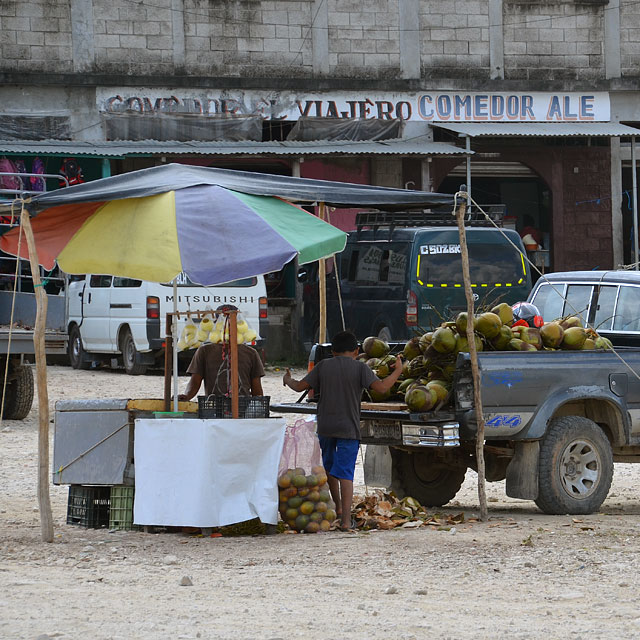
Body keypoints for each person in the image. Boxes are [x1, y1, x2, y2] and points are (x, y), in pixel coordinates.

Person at [282, 330, 403, 531]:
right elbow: (381, 388)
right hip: (349, 428)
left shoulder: (323, 366)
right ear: (356, 351)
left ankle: (338, 508)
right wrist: (398, 371)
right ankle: (346, 521)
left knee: (329, 468)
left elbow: (299, 386)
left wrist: (287, 379)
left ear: (332, 351)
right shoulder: (360, 368)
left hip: (326, 427)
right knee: (346, 474)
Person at [178, 305, 264, 400]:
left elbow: (256, 387)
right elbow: (195, 381)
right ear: (216, 323)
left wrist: (258, 404)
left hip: (242, 405)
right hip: (214, 404)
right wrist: (187, 396)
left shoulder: (250, 353)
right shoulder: (204, 351)